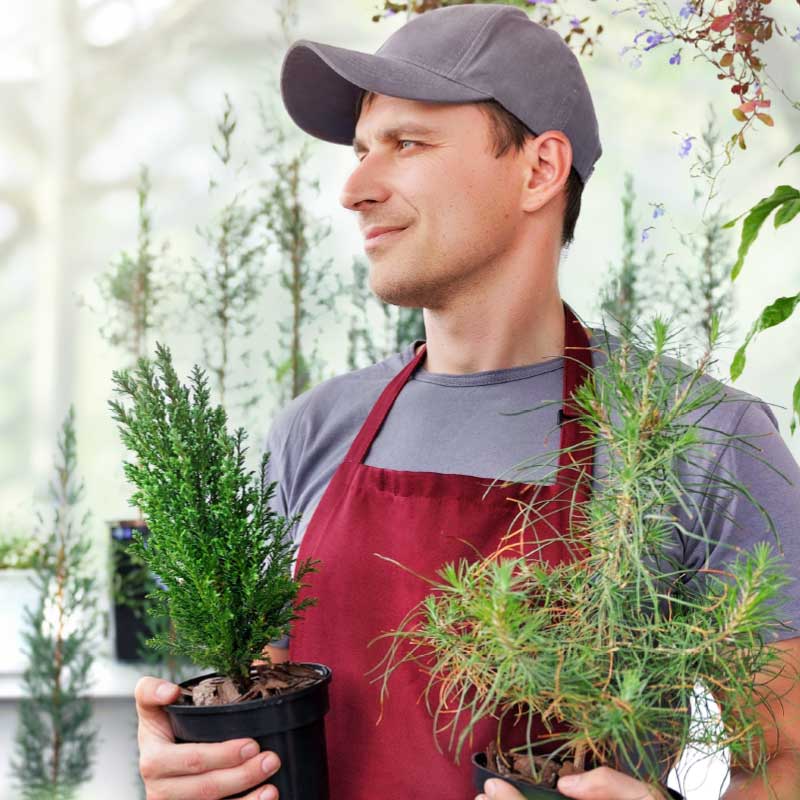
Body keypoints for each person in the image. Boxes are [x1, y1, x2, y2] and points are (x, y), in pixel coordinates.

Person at [133, 5, 800, 799]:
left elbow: (783, 763)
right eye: (359, 152)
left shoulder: (704, 438)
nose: (354, 189)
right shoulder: (315, 430)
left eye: (407, 144)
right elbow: (265, 709)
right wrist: (202, 775)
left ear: (539, 170)